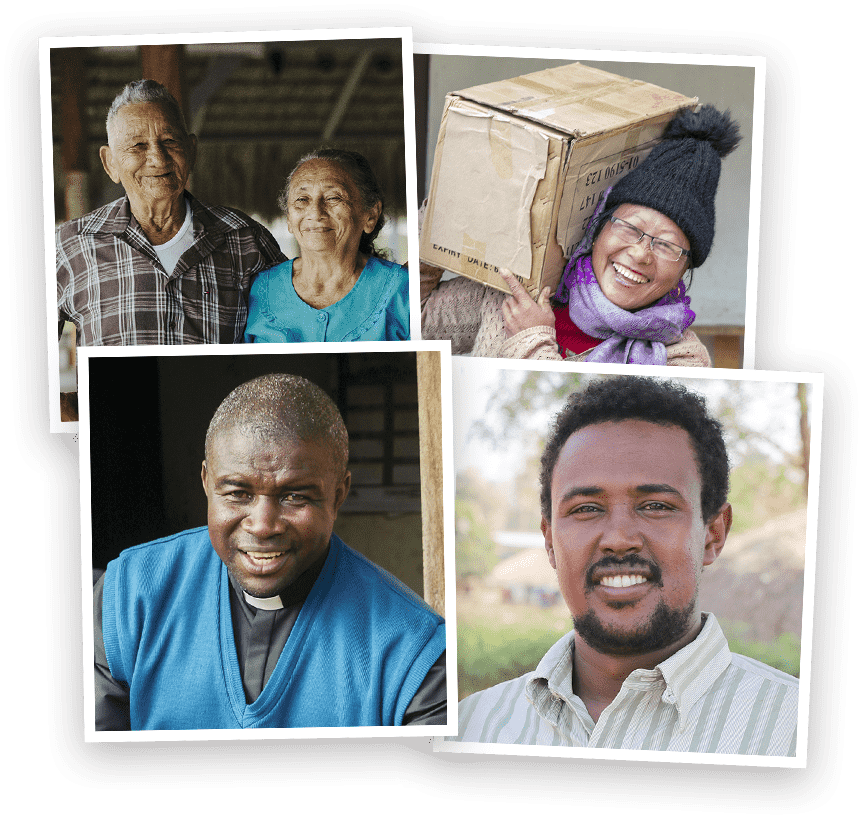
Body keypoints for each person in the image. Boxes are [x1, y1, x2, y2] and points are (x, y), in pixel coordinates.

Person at [447, 377, 798, 755]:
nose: (618, 538)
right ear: (550, 541)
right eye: (586, 509)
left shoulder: (796, 730)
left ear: (713, 534)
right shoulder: (472, 726)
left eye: (656, 506)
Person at [93, 374, 446, 730]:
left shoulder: (414, 653)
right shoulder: (128, 595)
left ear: (338, 495)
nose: (263, 526)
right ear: (206, 483)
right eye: (237, 493)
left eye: (295, 496)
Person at [421, 106, 742, 367]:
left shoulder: (682, 359)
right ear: (598, 229)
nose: (642, 253)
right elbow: (406, 321)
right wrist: (444, 217)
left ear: (685, 269)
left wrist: (532, 340)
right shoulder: (517, 296)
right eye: (629, 227)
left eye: (667, 245)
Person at [56, 80, 286, 346]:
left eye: (169, 141)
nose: (158, 158)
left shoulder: (245, 238)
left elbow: (291, 331)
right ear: (110, 164)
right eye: (138, 146)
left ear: (191, 151)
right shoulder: (70, 244)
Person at [244, 149, 410, 342]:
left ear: (370, 215)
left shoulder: (403, 289)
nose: (315, 212)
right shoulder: (257, 288)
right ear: (289, 218)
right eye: (302, 200)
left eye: (333, 198)